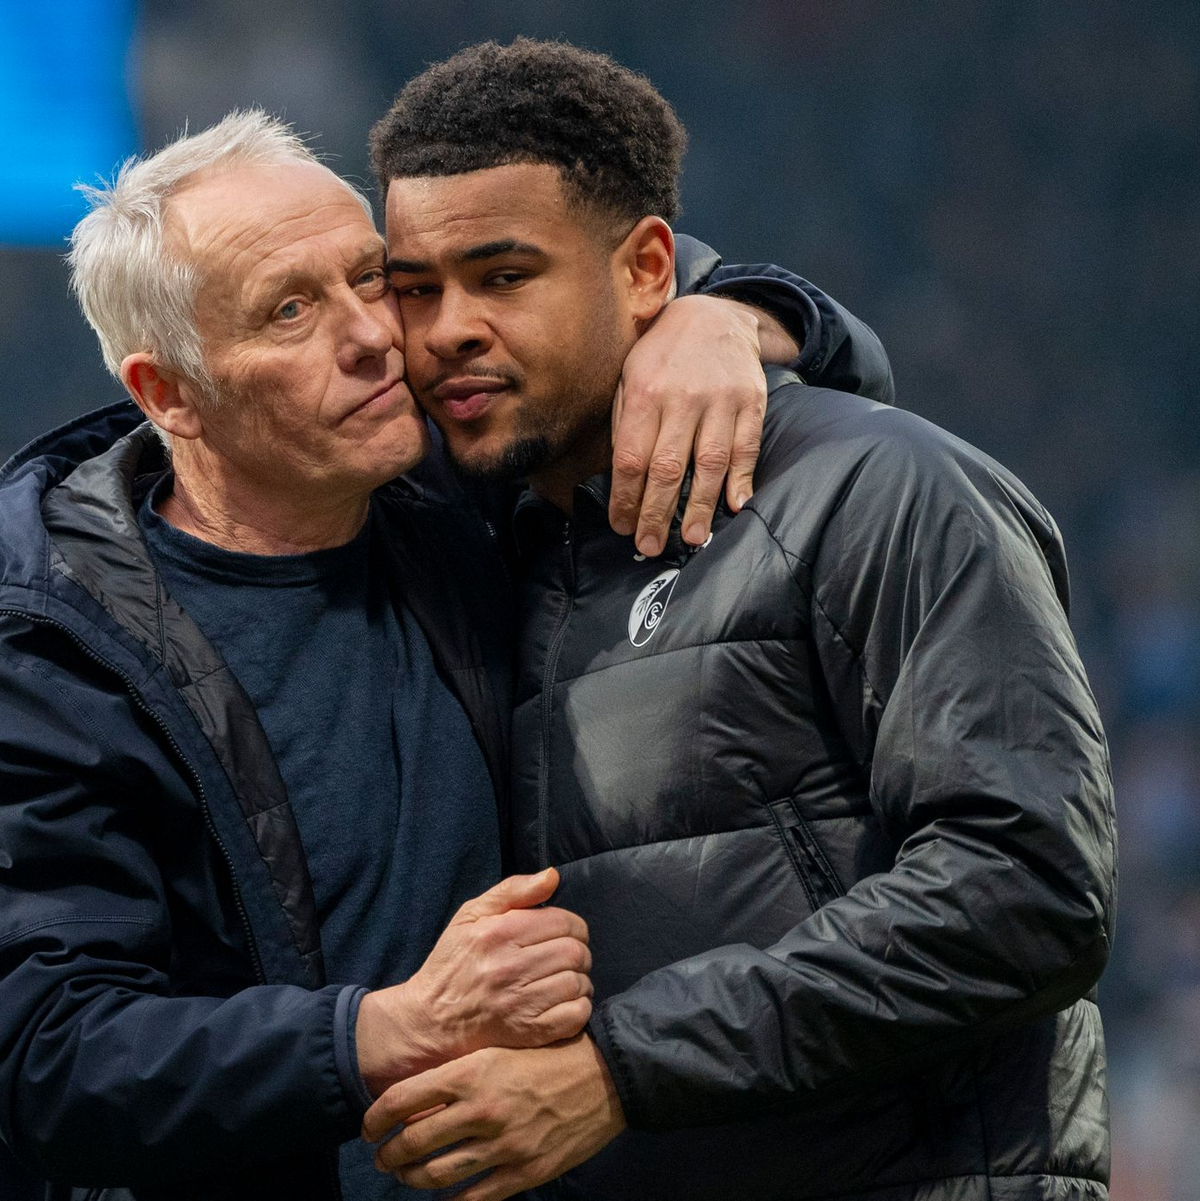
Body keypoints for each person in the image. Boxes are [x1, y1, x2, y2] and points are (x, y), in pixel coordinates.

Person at [0, 110, 888, 1200]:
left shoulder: (452, 474)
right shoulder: (52, 654)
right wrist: (387, 1030)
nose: (374, 335)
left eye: (369, 278)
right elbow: (47, 1058)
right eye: (290, 309)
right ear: (169, 394)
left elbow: (791, 340)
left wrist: (724, 318)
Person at [362, 38, 1118, 1201]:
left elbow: (1026, 889)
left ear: (648, 267)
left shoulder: (880, 487)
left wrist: (618, 1069)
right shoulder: (470, 557)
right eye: (415, 289)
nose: (447, 328)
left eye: (504, 276)